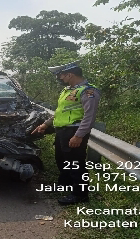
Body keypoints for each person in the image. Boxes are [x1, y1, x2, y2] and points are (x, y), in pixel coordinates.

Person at [32, 61, 101, 205]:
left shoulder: (89, 91)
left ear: (70, 74)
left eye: (61, 75)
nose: (60, 79)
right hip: (62, 131)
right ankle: (64, 184)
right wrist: (45, 124)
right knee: (62, 160)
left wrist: (78, 135)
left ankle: (80, 195)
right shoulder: (67, 91)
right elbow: (59, 112)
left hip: (74, 131)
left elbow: (89, 117)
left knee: (76, 164)